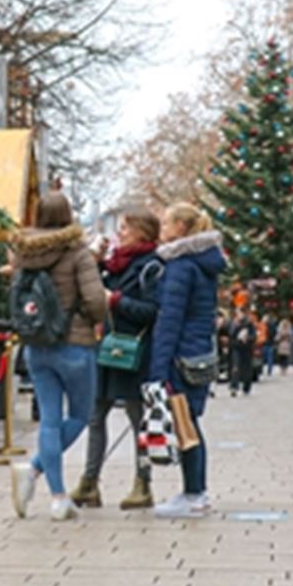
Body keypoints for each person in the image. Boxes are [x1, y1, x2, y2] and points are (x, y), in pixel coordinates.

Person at [9, 192, 107, 521]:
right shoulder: (77, 253)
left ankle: (57, 496)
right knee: (80, 415)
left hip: (37, 345)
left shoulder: (23, 251)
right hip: (74, 342)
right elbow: (95, 299)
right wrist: (97, 319)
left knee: (49, 419)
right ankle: (35, 472)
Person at [71, 207, 162, 511]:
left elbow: (152, 311)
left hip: (135, 354)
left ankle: (142, 483)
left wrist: (117, 301)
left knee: (138, 421)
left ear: (142, 232)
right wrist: (94, 265)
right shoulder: (113, 265)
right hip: (109, 349)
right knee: (95, 416)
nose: (119, 233)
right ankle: (88, 482)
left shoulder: (151, 266)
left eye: (125, 227)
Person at [144, 202, 226, 518]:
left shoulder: (180, 266)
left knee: (184, 424)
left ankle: (194, 493)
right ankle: (194, 491)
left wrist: (158, 369)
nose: (161, 230)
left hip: (180, 356)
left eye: (166, 223)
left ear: (181, 228)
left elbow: (170, 320)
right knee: (189, 421)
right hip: (198, 352)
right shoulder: (204, 264)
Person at [228, 307, 255, 397]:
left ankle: (246, 387)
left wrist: (247, 338)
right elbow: (230, 334)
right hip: (236, 347)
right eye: (236, 313)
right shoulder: (233, 323)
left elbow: (253, 336)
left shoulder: (249, 323)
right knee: (235, 367)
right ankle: (234, 387)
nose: (237, 315)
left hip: (246, 348)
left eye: (239, 313)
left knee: (247, 369)